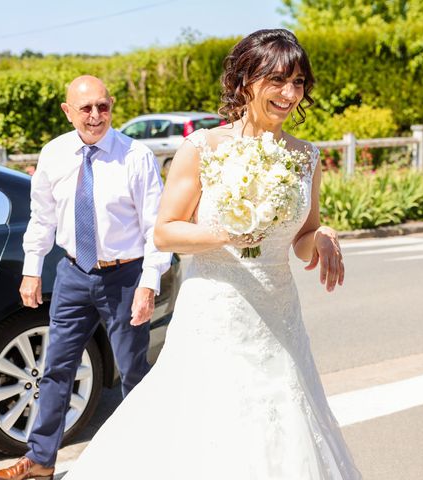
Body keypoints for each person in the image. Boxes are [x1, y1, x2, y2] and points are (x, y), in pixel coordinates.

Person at [64, 29, 362, 479]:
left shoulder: (306, 157)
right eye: (277, 80)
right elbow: (165, 233)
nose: (289, 93)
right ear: (244, 80)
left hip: (279, 317)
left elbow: (302, 236)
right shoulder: (203, 148)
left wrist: (321, 236)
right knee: (206, 432)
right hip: (216, 315)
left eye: (298, 82)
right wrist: (226, 233)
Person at [0, 75, 172, 480]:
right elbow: (42, 218)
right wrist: (32, 269)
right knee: (56, 367)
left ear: (111, 107)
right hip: (72, 273)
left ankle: (148, 461)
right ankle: (39, 462)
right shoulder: (54, 154)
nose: (95, 116)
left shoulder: (135, 156)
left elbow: (155, 227)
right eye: (85, 108)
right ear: (68, 112)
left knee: (134, 371)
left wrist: (149, 282)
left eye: (102, 107)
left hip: (124, 277)